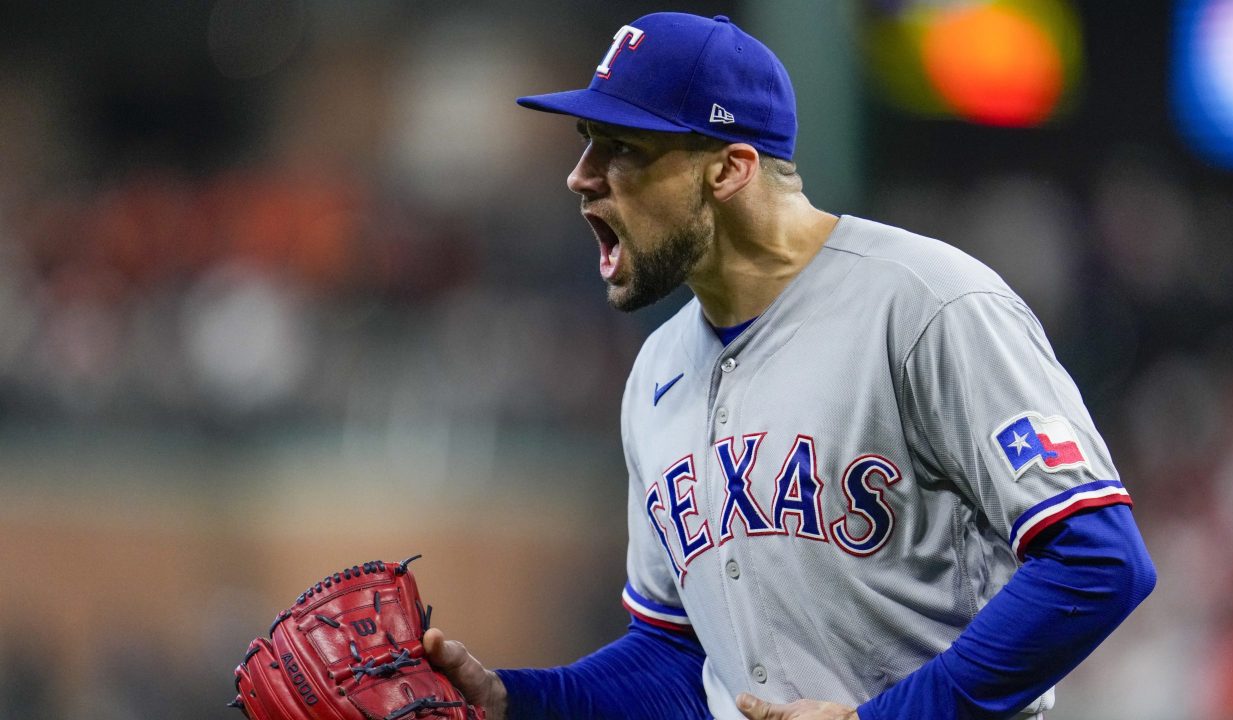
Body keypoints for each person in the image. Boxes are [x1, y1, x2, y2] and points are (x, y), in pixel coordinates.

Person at [424, 11, 1156, 720]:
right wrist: (517, 700)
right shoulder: (656, 372)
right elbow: (678, 656)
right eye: (588, 142)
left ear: (730, 169)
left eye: (622, 147)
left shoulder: (927, 305)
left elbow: (1096, 561)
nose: (581, 177)